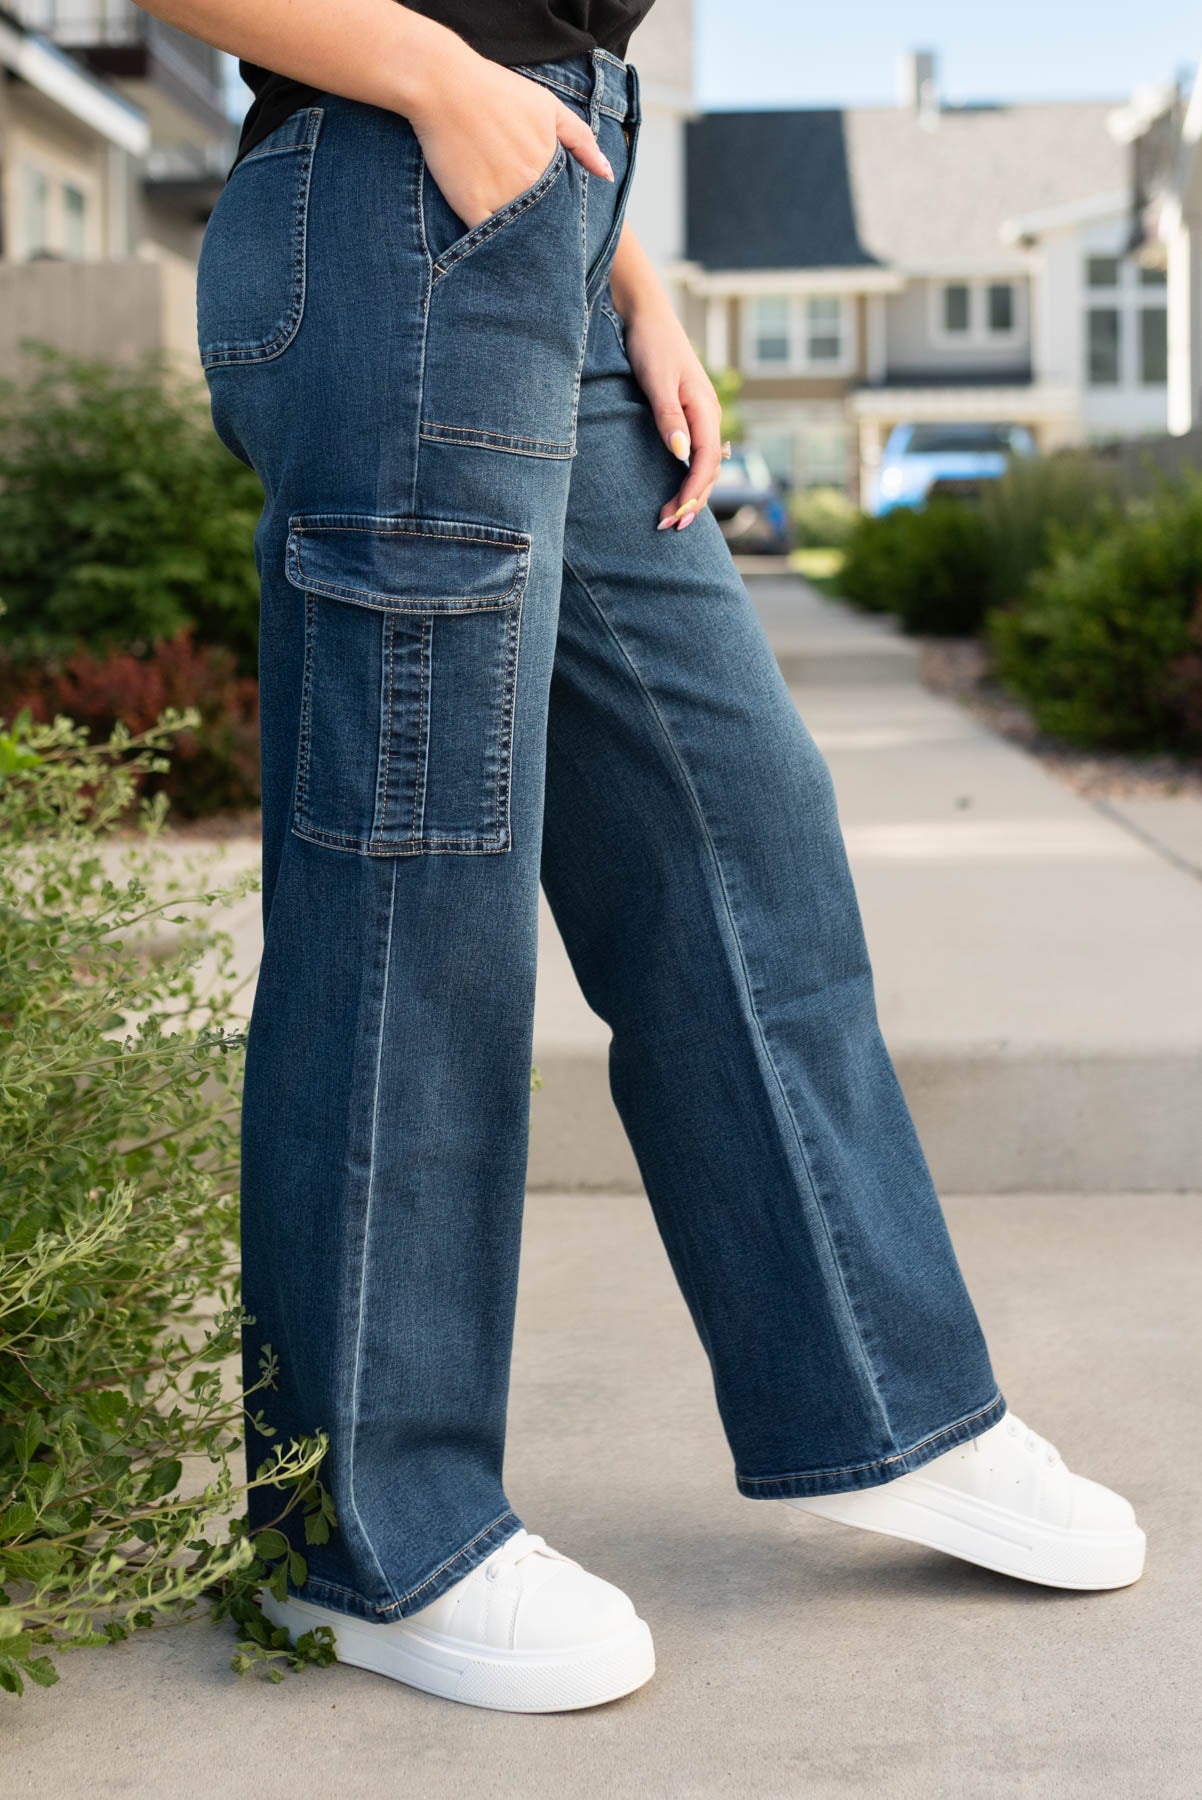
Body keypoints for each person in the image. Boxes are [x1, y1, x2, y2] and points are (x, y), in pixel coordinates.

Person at [156, 0, 1143, 1714]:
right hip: (400, 204)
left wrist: (634, 285)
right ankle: (363, 1537)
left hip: (545, 234)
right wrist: (436, 82)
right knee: (417, 891)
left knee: (734, 820)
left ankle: (875, 1400)